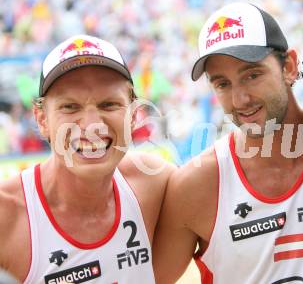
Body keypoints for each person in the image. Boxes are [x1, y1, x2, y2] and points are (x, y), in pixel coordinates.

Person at [152, 2, 303, 283]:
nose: (240, 100)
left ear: (289, 66)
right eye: (223, 84)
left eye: (252, 75)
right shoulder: (196, 185)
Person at [0, 35, 174, 283]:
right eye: (70, 107)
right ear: (41, 119)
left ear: (134, 115)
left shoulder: (157, 183)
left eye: (109, 104)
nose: (92, 125)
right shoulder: (6, 216)